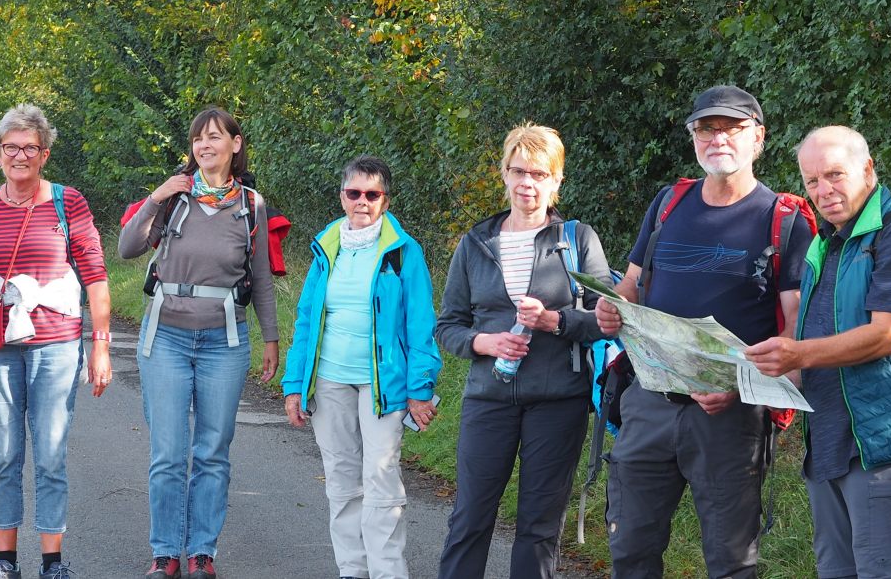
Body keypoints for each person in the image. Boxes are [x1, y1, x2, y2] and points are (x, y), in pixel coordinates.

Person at [594, 84, 815, 579]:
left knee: (731, 561)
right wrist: (613, 311)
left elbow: (796, 332)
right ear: (694, 137)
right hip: (648, 402)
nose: (718, 138)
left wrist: (740, 390)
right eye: (706, 128)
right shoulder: (669, 202)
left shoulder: (784, 218)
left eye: (732, 128)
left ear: (758, 138)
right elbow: (630, 286)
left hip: (730, 418)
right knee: (629, 547)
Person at [745, 126, 891, 579]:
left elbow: (886, 335)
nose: (824, 191)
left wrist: (797, 354)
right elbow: (816, 341)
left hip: (884, 447)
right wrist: (743, 374)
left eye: (835, 175)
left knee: (884, 571)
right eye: (812, 181)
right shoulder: (826, 241)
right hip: (828, 444)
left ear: (867, 169)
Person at [436, 124, 611, 579]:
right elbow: (448, 326)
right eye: (518, 171)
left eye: (539, 173)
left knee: (539, 526)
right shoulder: (475, 243)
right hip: (488, 399)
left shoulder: (578, 240)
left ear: (556, 181)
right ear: (504, 174)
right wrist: (484, 342)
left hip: (558, 400)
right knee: (470, 517)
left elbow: (608, 320)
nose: (527, 184)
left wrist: (554, 320)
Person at [0, 104, 113, 579]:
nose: (20, 155)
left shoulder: (68, 203)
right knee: (4, 453)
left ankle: (53, 563)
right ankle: (5, 562)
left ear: (44, 154)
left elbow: (96, 276)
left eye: (30, 148)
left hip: (57, 345)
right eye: (11, 147)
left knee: (52, 453)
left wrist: (100, 344)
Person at [118, 107, 280, 579]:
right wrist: (156, 196)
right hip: (165, 336)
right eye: (197, 140)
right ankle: (166, 553)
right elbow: (127, 248)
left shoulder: (251, 204)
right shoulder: (174, 198)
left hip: (224, 340)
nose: (204, 146)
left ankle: (202, 552)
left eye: (214, 138)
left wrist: (271, 338)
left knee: (212, 450)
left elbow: (263, 279)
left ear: (235, 144)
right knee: (168, 452)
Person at [282, 155, 442, 579]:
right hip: (330, 380)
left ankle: (388, 573)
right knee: (341, 480)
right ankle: (352, 571)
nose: (362, 201)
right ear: (342, 197)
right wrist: (294, 385)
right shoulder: (326, 246)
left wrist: (420, 388)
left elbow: (421, 325)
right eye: (354, 193)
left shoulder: (403, 253)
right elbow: (306, 320)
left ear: (385, 201)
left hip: (383, 386)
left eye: (372, 194)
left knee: (382, 481)